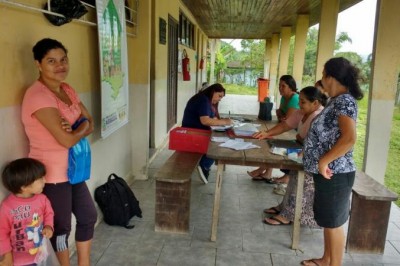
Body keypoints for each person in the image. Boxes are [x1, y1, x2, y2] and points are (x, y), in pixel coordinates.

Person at [21, 38, 97, 266]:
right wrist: (80, 126)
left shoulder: (67, 89)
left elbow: (91, 123)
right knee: (61, 227)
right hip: (51, 176)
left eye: (63, 59)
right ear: (38, 64)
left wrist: (79, 127)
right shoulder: (38, 96)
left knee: (87, 216)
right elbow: (66, 140)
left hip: (73, 170)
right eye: (51, 61)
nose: (60, 65)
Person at [301, 57, 363, 266]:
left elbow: (349, 138)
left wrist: (323, 162)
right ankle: (326, 259)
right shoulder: (337, 100)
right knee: (328, 220)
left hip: (334, 173)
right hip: (328, 172)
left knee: (334, 223)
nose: (321, 80)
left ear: (331, 76)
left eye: (323, 74)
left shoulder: (345, 101)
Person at [255, 86, 327, 226]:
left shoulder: (319, 115)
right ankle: (285, 208)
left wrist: (301, 139)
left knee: (303, 184)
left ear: (316, 103)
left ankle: (289, 216)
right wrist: (267, 133)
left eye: (303, 102)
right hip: (303, 150)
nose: (299, 105)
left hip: (315, 158)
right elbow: (285, 125)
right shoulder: (302, 112)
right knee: (293, 178)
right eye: (299, 101)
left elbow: (315, 140)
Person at [0, 158, 54, 266]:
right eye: (40, 179)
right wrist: (6, 255)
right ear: (24, 187)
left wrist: (48, 226)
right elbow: (2, 232)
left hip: (42, 253)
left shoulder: (42, 199)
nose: (45, 181)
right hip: (20, 261)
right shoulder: (7, 207)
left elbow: (49, 213)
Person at [247, 75, 300, 181]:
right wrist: (282, 117)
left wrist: (282, 117)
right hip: (289, 129)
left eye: (283, 86)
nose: (280, 88)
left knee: (274, 142)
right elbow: (279, 113)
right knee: (271, 139)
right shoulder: (284, 97)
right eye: (279, 86)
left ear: (291, 87)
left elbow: (287, 120)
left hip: (294, 132)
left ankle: (267, 171)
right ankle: (267, 172)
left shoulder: (295, 98)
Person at [182, 83, 233, 184]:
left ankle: (204, 164)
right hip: (193, 133)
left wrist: (221, 121)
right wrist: (224, 122)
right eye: (219, 96)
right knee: (218, 145)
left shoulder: (206, 100)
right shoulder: (203, 100)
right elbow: (205, 121)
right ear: (213, 91)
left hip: (198, 131)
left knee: (221, 137)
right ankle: (204, 165)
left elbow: (212, 118)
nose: (220, 99)